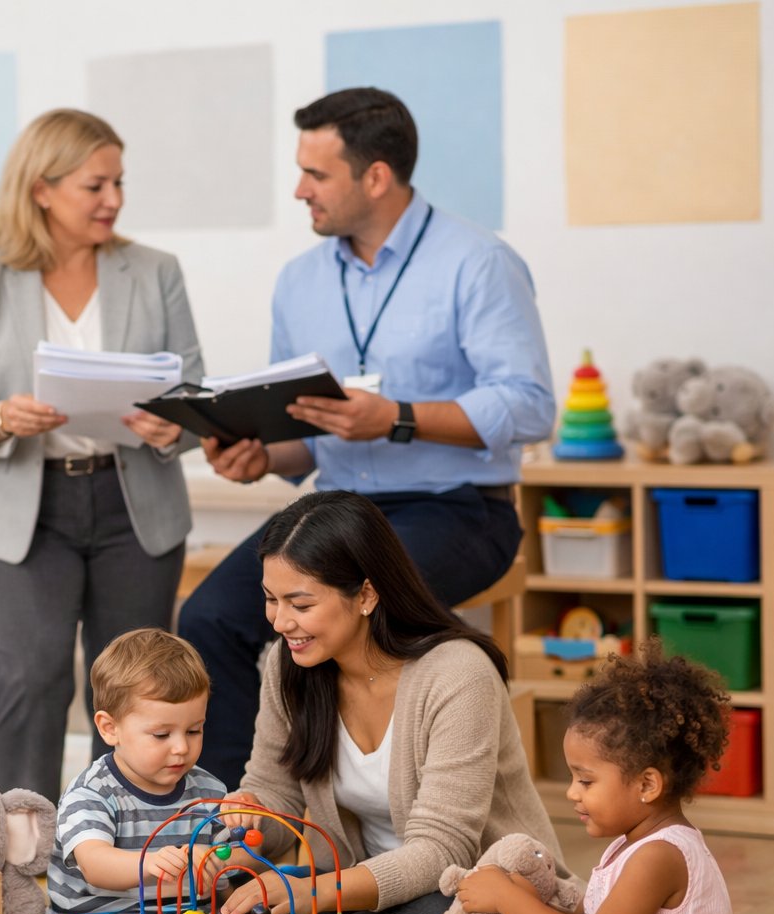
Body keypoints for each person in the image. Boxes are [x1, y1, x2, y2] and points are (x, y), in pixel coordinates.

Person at [179, 87, 555, 788]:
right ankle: (236, 827)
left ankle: (369, 820)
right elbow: (305, 438)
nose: (299, 191)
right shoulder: (300, 282)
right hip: (337, 511)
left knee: (335, 609)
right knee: (209, 616)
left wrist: (397, 417)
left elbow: (531, 407)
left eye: (316, 175)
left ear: (375, 176)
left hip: (460, 507)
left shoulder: (477, 262)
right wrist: (259, 455)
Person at [0, 109, 206, 804]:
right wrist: (2, 416)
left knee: (141, 687)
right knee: (32, 675)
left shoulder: (156, 272)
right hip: (25, 509)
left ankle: (129, 844)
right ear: (41, 188)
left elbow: (198, 401)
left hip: (134, 504)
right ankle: (26, 844)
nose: (113, 199)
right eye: (96, 184)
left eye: (118, 181)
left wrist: (170, 426)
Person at [215, 490, 564, 914]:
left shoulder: (458, 675)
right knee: (224, 907)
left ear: (366, 595)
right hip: (352, 894)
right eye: (271, 599)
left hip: (471, 891)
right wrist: (242, 832)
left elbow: (442, 850)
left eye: (301, 603)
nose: (279, 621)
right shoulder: (287, 664)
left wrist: (309, 893)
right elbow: (275, 793)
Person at [388, 643, 757, 914]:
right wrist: (535, 904)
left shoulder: (659, 856)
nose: (571, 792)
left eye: (586, 780)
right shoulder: (631, 844)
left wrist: (508, 900)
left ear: (647, 784)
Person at [19, 628, 227, 914]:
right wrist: (149, 863)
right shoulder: (91, 792)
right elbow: (96, 864)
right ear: (109, 728)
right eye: (162, 734)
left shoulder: (208, 789)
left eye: (194, 730)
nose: (181, 747)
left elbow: (230, 862)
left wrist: (219, 858)